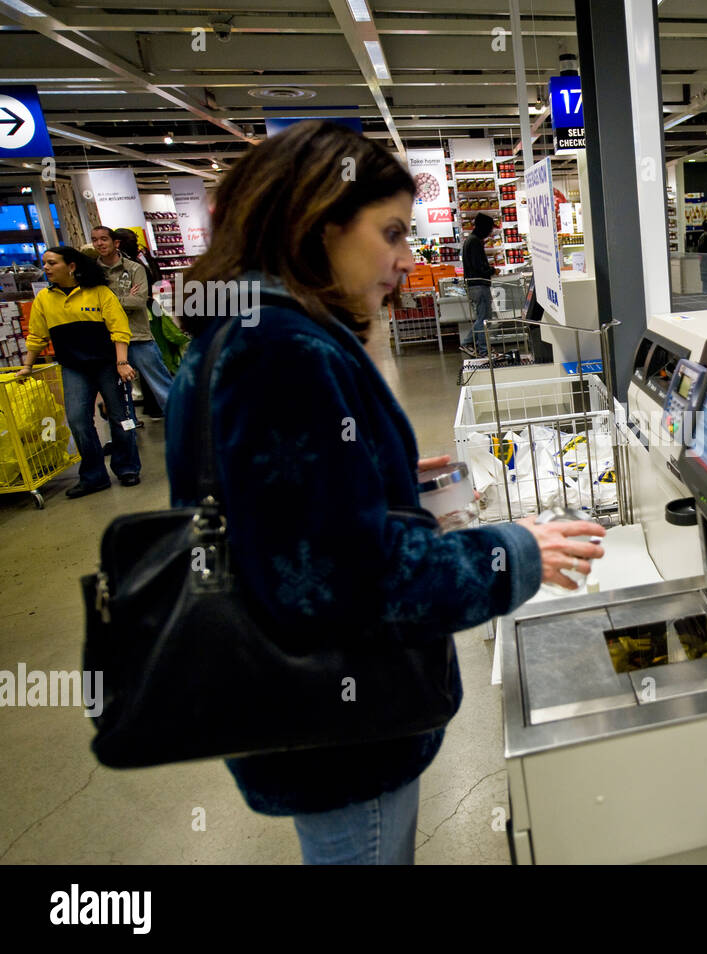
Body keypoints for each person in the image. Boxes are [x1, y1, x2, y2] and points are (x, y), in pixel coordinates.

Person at [170, 120, 606, 865]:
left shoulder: (237, 327)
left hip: (306, 717)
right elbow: (350, 581)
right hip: (343, 728)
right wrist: (513, 553)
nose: (407, 261)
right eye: (393, 233)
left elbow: (284, 517)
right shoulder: (284, 352)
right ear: (322, 223)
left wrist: (385, 480)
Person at [15, 246, 140, 496]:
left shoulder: (99, 293)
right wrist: (27, 366)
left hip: (107, 365)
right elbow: (37, 335)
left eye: (52, 263)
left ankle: (127, 467)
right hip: (73, 368)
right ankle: (94, 476)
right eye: (45, 263)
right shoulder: (44, 299)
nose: (46, 268)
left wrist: (122, 362)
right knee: (78, 420)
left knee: (120, 418)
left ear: (71, 266)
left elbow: (119, 328)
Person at [93, 225, 173, 419]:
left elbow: (138, 301)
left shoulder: (135, 268)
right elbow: (93, 307)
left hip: (139, 335)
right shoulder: (93, 272)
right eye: (95, 239)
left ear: (116, 242)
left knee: (161, 386)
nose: (99, 243)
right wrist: (121, 300)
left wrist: (108, 303)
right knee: (116, 395)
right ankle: (126, 436)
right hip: (108, 340)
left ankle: (187, 427)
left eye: (104, 239)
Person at [461, 212, 497, 357]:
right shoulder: (475, 242)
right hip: (479, 285)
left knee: (483, 317)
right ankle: (480, 348)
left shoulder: (470, 240)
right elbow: (478, 266)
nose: (490, 232)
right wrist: (492, 270)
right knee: (484, 319)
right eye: (489, 229)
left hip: (474, 285)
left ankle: (478, 347)